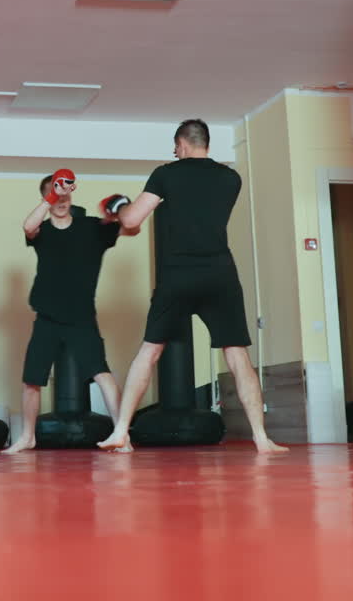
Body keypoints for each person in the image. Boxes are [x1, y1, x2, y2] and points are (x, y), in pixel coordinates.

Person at [97, 120, 287, 454]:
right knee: (237, 353)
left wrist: (116, 209)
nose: (174, 152)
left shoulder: (166, 174)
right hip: (219, 273)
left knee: (150, 350)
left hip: (178, 273)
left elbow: (131, 221)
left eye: (175, 147)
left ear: (181, 143)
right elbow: (199, 209)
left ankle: (121, 432)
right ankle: (261, 437)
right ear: (207, 144)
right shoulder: (231, 178)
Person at [1, 168, 138, 454]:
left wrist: (120, 209)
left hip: (81, 318)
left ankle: (121, 434)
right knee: (32, 381)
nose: (62, 198)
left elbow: (132, 227)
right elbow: (28, 226)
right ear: (47, 197)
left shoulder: (92, 227)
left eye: (65, 191)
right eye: (54, 192)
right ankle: (27, 437)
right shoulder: (42, 232)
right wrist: (54, 193)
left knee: (102, 374)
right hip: (47, 317)